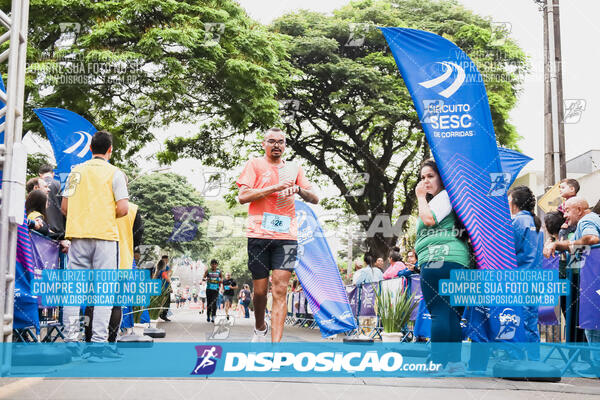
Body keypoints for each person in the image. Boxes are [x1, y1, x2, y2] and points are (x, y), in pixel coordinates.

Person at [236, 127, 318, 342]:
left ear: (285, 146)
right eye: (271, 141)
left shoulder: (294, 168)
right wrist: (275, 187)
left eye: (281, 142)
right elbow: (243, 196)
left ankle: (276, 348)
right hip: (258, 235)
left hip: (287, 237)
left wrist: (299, 190)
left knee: (280, 289)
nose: (276, 145)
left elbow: (315, 198)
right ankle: (260, 326)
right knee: (261, 292)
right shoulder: (254, 164)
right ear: (264, 144)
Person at [61, 130, 129, 362]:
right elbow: (123, 208)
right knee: (104, 293)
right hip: (105, 239)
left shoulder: (75, 172)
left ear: (90, 149)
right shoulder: (115, 174)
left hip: (77, 238)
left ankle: (71, 342)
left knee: (73, 292)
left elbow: (64, 207)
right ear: (110, 150)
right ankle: (98, 345)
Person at [415, 159, 470, 373]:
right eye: (422, 178)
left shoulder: (444, 196)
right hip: (458, 262)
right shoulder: (454, 199)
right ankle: (454, 363)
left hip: (439, 260)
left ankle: (437, 362)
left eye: (430, 176)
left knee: (439, 312)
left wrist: (420, 197)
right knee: (452, 314)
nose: (425, 181)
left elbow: (428, 219)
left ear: (442, 177)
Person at [543, 197, 600, 376]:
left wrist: (565, 244)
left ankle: (597, 364)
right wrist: (560, 244)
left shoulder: (586, 220)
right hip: (589, 276)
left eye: (568, 210)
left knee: (593, 324)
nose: (565, 215)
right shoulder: (589, 220)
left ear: (580, 209)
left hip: (593, 277)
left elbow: (592, 238)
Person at [508, 185, 544, 361]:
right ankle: (534, 360)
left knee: (514, 319)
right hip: (534, 279)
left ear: (514, 202)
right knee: (530, 321)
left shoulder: (517, 222)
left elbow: (508, 250)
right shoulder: (536, 223)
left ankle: (516, 359)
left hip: (518, 278)